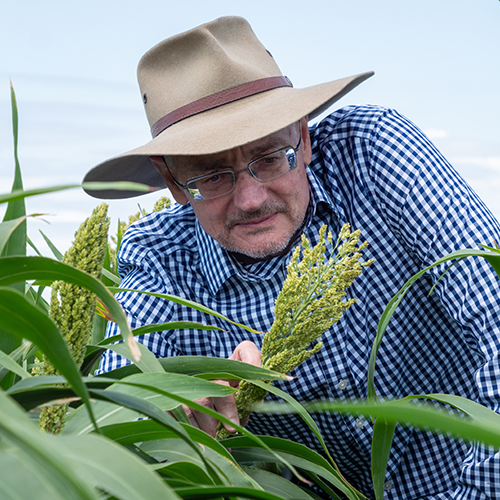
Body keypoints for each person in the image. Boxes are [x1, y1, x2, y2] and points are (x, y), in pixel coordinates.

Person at [84, 16, 500, 499]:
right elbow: (110, 407)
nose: (252, 199)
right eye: (213, 176)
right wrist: (174, 395)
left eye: (268, 157)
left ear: (302, 135)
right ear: (174, 181)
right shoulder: (159, 255)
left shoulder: (371, 155)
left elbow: (494, 308)